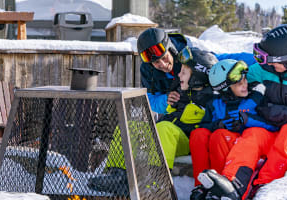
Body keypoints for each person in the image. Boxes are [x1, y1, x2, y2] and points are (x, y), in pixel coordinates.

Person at [197, 25, 287, 200]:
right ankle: (231, 187)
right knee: (253, 134)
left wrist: (274, 112)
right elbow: (237, 71)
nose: (264, 62)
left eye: (268, 58)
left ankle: (264, 185)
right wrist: (208, 62)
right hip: (277, 130)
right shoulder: (264, 69)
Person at [88, 46, 218, 194]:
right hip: (164, 137)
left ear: (196, 78)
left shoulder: (210, 100)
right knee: (129, 125)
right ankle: (118, 175)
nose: (179, 75)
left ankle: (157, 180)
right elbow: (171, 113)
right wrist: (170, 104)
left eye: (183, 73)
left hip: (184, 141)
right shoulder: (180, 91)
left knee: (164, 128)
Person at [188, 59, 278, 200]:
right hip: (221, 144)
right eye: (238, 84)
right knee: (198, 134)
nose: (245, 85)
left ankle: (220, 186)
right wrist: (217, 124)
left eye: (244, 81)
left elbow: (272, 125)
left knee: (220, 135)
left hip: (246, 147)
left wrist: (247, 120)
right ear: (226, 90)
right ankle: (201, 184)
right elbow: (204, 125)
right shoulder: (215, 103)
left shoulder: (255, 99)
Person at [137, 28, 256, 114]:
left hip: (202, 110)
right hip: (177, 113)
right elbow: (151, 100)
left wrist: (259, 58)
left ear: (170, 48)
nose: (163, 64)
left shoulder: (188, 55)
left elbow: (217, 61)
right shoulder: (149, 72)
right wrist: (165, 100)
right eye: (156, 62)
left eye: (164, 57)